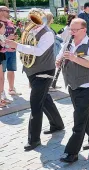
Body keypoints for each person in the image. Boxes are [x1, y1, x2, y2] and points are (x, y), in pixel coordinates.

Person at [5, 8, 65, 151]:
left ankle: (34, 140)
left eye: (37, 19)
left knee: (35, 104)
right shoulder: (32, 30)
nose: (34, 22)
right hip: (32, 70)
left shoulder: (48, 33)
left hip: (43, 72)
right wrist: (13, 45)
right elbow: (28, 46)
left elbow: (38, 51)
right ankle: (57, 124)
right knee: (44, 98)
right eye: (32, 19)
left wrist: (18, 45)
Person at [56, 18, 89, 163]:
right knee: (84, 113)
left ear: (84, 30)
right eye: (71, 29)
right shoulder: (67, 44)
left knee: (79, 118)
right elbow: (58, 59)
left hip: (87, 86)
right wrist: (58, 62)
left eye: (75, 30)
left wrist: (74, 58)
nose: (72, 32)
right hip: (72, 85)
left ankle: (71, 152)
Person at [0, 6, 21, 97]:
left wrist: (15, 37)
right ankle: (2, 93)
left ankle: (11, 89)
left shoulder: (10, 22)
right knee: (2, 73)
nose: (9, 12)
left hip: (12, 50)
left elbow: (12, 34)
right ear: (1, 12)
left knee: (11, 70)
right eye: (7, 11)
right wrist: (8, 38)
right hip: (2, 51)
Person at [0, 22, 8, 108]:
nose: (5, 30)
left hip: (1, 58)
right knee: (0, 78)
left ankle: (1, 98)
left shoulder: (2, 36)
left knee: (1, 78)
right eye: (4, 28)